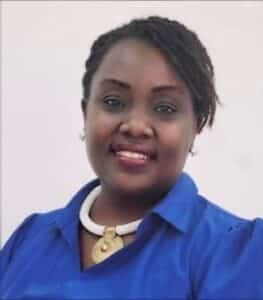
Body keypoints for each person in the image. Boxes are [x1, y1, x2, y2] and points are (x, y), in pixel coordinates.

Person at [0, 16, 262, 299]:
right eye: (113, 102)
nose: (135, 125)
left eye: (165, 108)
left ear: (196, 124)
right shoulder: (29, 239)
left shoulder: (235, 250)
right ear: (85, 113)